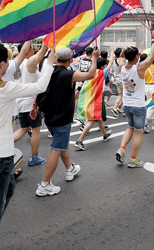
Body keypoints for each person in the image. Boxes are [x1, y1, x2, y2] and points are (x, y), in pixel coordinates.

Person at [0, 44, 56, 250]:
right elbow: (39, 87)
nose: (9, 64)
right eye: (6, 62)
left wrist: (27, 50)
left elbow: (12, 68)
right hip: (0, 155)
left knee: (8, 190)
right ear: (1, 64)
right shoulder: (4, 89)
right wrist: (49, 64)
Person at [35, 46, 98, 196]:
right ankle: (44, 185)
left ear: (56, 59)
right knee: (56, 149)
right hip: (61, 118)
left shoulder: (48, 71)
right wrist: (94, 58)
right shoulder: (69, 74)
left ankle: (70, 169)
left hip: (50, 117)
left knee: (61, 144)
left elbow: (39, 89)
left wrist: (33, 105)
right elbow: (90, 74)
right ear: (70, 60)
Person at [115, 31, 154, 168]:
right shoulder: (139, 68)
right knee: (138, 133)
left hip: (127, 105)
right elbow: (153, 55)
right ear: (136, 56)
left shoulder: (122, 67)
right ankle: (133, 160)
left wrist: (126, 50)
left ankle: (121, 149)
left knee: (130, 127)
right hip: (138, 106)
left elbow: (121, 56)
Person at [12, 42, 48, 166]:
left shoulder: (16, 64)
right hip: (30, 102)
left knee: (24, 128)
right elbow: (43, 51)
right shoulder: (29, 62)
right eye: (32, 49)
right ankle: (34, 157)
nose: (33, 51)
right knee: (36, 130)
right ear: (27, 51)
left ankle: (1, 147)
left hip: (19, 102)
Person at [74, 56, 114, 150]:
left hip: (89, 98)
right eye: (104, 66)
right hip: (95, 100)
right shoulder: (101, 73)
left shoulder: (90, 72)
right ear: (102, 67)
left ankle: (105, 134)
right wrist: (112, 51)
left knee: (99, 117)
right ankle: (79, 141)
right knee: (91, 120)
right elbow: (111, 62)